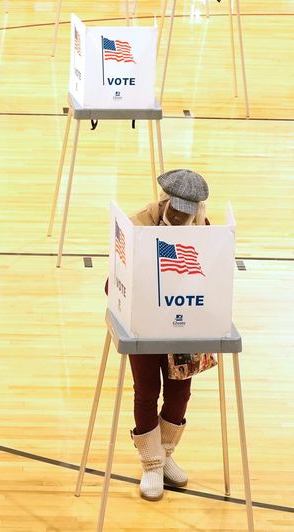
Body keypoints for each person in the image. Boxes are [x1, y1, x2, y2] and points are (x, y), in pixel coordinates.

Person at [126, 168, 210, 501]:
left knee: (180, 394)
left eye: (185, 215)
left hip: (183, 322)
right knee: (146, 391)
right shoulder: (137, 225)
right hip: (145, 322)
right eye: (173, 212)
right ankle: (150, 464)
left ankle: (164, 455)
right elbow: (111, 281)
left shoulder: (206, 232)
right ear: (163, 203)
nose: (177, 218)